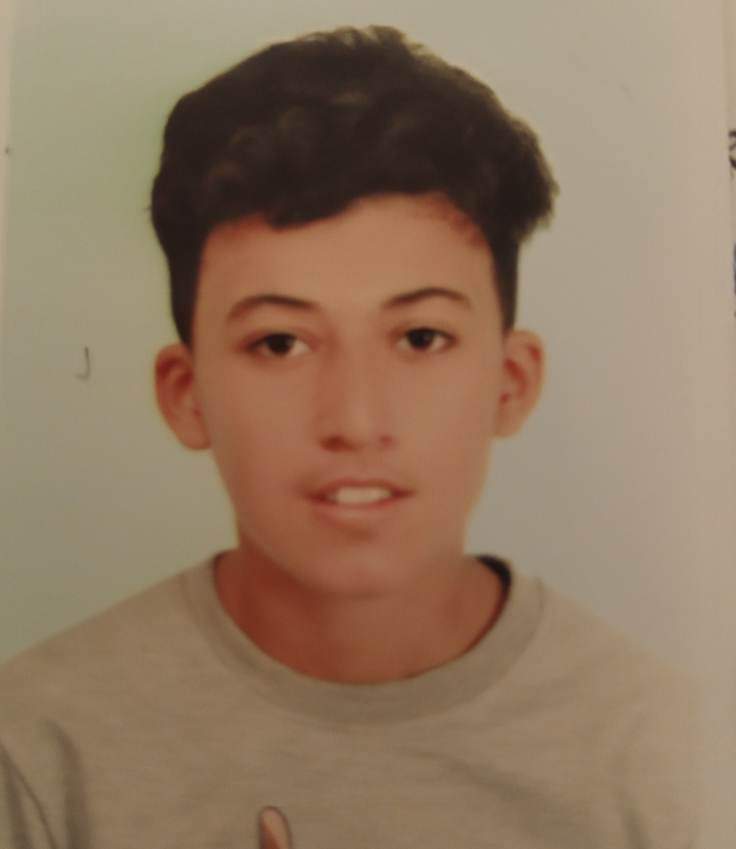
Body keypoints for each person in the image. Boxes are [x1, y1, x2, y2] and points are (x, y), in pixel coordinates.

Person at [0, 24, 695, 849]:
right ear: (187, 395)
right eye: (279, 344)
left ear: (510, 382)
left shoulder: (666, 748)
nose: (356, 421)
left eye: (421, 337)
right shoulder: (38, 746)